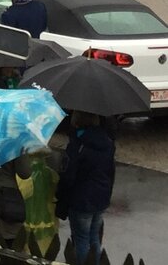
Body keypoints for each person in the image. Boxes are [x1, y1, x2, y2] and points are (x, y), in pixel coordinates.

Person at [57, 111, 116, 265]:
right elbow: (110, 171)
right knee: (94, 237)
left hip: (81, 199)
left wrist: (61, 195)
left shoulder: (78, 145)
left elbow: (69, 176)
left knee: (81, 239)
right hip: (101, 198)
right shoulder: (107, 142)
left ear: (77, 121)